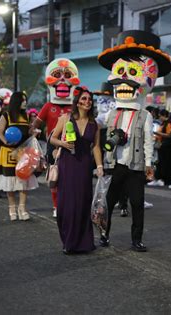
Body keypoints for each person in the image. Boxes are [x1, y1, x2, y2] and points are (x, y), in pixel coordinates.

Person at [98, 30, 171, 251]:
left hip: (136, 166)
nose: (123, 80)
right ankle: (104, 235)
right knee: (108, 203)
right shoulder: (111, 114)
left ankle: (136, 240)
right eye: (120, 72)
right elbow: (98, 129)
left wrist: (149, 164)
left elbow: (149, 142)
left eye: (131, 73)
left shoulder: (145, 115)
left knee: (137, 204)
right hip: (115, 164)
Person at [50, 87, 103, 253]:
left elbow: (96, 147)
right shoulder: (65, 118)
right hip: (67, 164)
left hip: (84, 166)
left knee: (83, 202)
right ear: (77, 101)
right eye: (84, 99)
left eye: (89, 99)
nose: (87, 102)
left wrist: (100, 166)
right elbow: (52, 138)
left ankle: (84, 242)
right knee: (67, 204)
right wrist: (63, 144)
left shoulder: (95, 124)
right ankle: (68, 241)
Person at [31, 58, 80, 218]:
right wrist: (31, 132)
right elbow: (35, 124)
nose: (63, 79)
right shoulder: (47, 106)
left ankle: (69, 205)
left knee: (71, 178)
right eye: (57, 75)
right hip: (53, 146)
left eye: (67, 75)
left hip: (72, 145)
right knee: (54, 177)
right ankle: (56, 206)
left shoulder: (75, 107)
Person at [0, 92, 38, 221]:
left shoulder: (26, 116)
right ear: (16, 101)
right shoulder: (6, 115)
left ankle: (22, 208)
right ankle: (12, 207)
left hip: (23, 152)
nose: (25, 103)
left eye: (25, 100)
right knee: (10, 181)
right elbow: (0, 132)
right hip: (8, 152)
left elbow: (28, 132)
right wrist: (6, 142)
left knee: (23, 180)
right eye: (22, 100)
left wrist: (33, 132)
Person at [149, 109, 171, 187]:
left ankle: (163, 179)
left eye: (160, 116)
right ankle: (157, 178)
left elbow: (169, 135)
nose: (159, 118)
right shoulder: (163, 123)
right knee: (160, 163)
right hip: (162, 146)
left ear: (164, 116)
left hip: (167, 147)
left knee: (165, 164)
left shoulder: (169, 124)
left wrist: (157, 133)